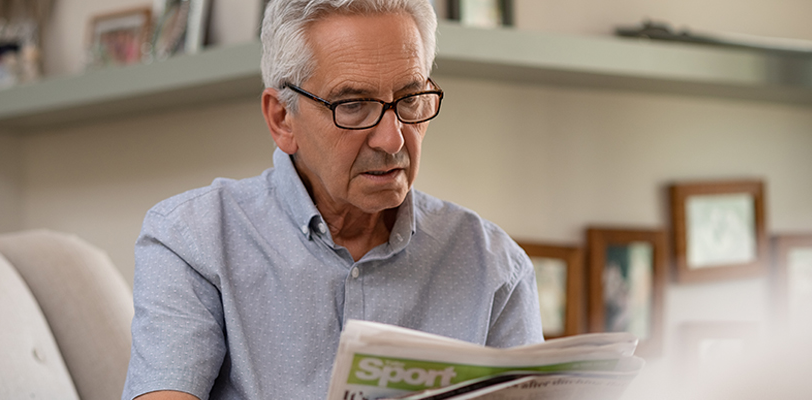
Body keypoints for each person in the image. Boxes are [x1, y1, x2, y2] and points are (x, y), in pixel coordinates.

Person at [122, 0, 544, 398]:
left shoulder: (496, 267)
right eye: (354, 104)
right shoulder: (191, 240)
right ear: (282, 118)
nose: (393, 138)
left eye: (410, 99)